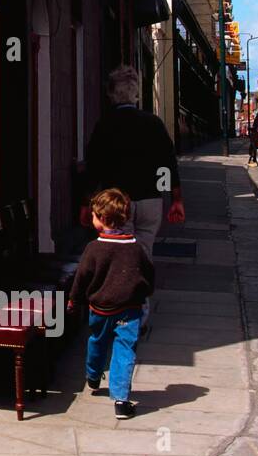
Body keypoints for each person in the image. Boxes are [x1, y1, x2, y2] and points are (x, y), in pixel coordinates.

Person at [67, 188, 155, 419]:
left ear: (102, 220)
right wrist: (145, 292)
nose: (93, 219)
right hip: (130, 308)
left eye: (95, 215)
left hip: (100, 308)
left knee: (97, 342)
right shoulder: (135, 248)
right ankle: (121, 401)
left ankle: (93, 376)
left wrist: (74, 300)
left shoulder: (94, 248)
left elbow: (82, 276)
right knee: (125, 352)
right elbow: (148, 273)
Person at [83, 65, 185, 259]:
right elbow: (168, 163)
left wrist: (85, 203)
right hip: (151, 200)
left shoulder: (105, 124)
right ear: (135, 92)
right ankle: (142, 285)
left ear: (112, 93)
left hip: (118, 202)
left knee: (121, 255)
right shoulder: (154, 123)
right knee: (144, 253)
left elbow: (93, 166)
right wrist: (176, 199)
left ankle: (127, 286)